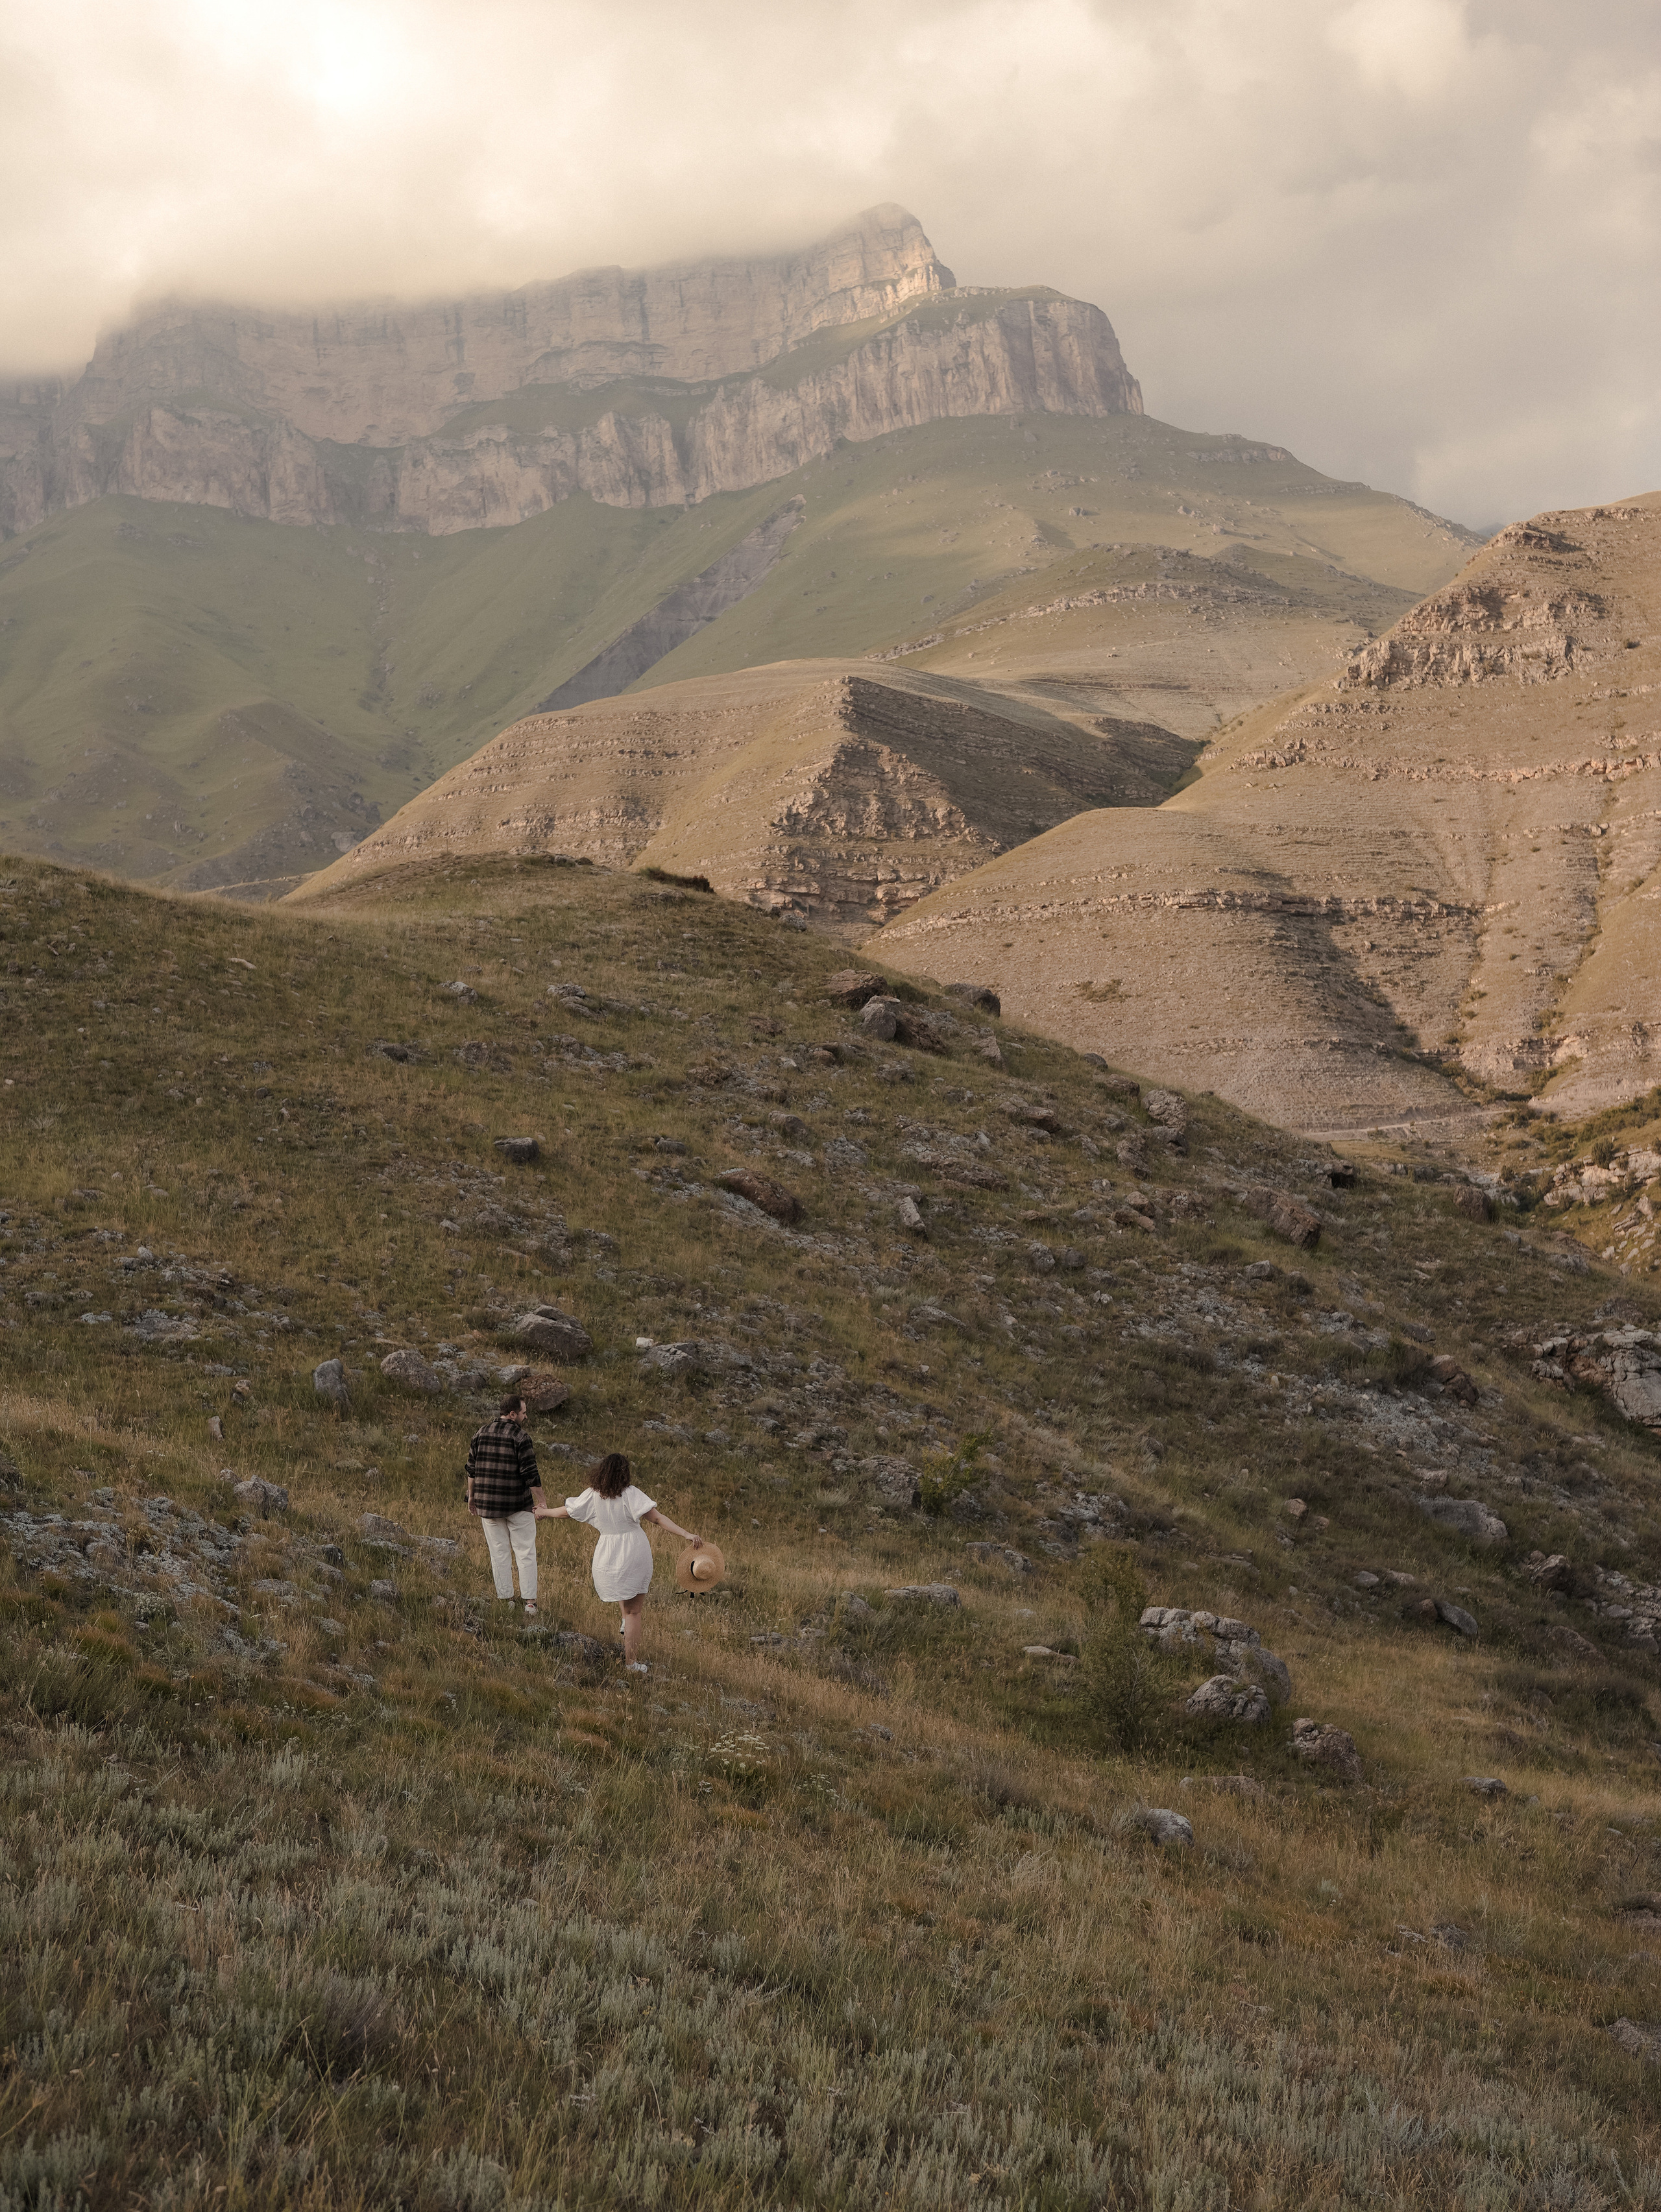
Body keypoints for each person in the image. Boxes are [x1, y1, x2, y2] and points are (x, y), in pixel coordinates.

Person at [535, 1451, 699, 1671]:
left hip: (608, 1551)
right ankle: (631, 1663)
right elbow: (658, 1518)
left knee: (625, 1597)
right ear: (625, 1474)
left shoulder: (593, 1495)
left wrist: (544, 1511)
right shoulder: (631, 1494)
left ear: (602, 1473)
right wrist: (686, 1534)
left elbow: (567, 1512)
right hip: (633, 1550)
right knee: (634, 1611)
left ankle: (625, 1626)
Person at [463, 1391, 547, 1618]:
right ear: (512, 1414)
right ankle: (530, 1603)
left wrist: (471, 1497)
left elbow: (471, 1469)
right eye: (523, 1413)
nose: (525, 1417)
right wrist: (542, 1502)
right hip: (517, 1504)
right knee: (525, 1551)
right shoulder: (521, 1437)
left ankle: (506, 1600)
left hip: (487, 1504)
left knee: (498, 1552)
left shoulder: (480, 1433)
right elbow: (531, 1474)